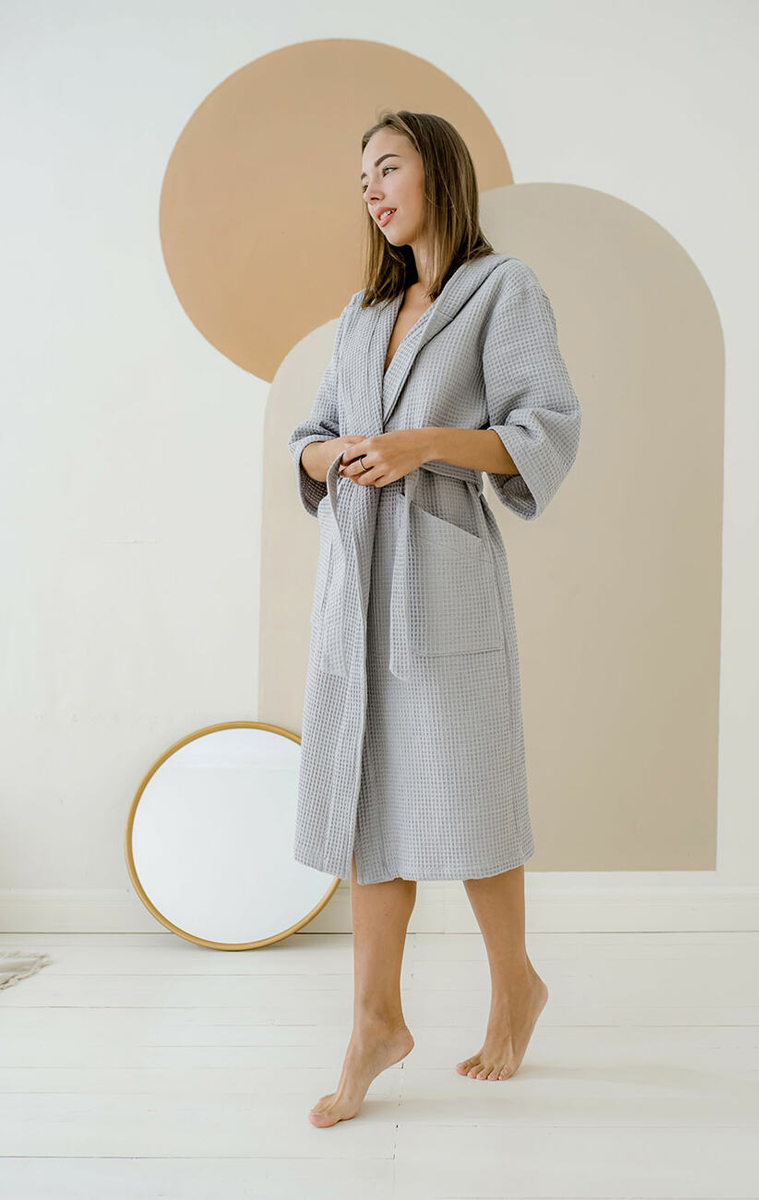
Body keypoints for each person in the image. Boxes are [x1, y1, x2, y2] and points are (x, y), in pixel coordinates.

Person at [287, 110, 581, 1127]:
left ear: (436, 172)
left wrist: (424, 444)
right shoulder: (362, 313)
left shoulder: (503, 290)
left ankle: (515, 987)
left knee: (471, 790)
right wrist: (334, 454)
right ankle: (374, 1022)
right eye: (362, 178)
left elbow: (544, 427)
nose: (371, 191)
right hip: (356, 581)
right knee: (369, 800)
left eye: (387, 168)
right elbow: (312, 435)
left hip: (442, 575)